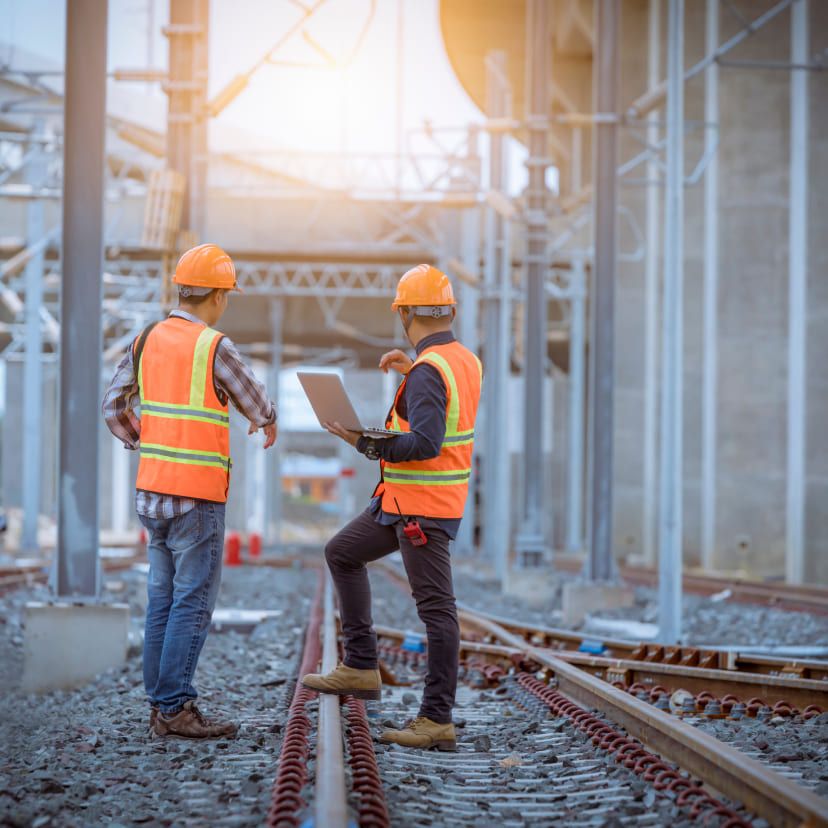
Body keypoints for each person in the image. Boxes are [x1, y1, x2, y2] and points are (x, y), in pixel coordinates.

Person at [302, 263, 482, 751]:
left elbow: (425, 442)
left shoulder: (430, 372)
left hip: (421, 507)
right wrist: (411, 375)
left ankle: (436, 718)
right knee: (342, 552)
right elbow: (441, 410)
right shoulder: (460, 360)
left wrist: (365, 442)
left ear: (405, 313)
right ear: (447, 312)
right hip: (405, 501)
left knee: (437, 611)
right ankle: (361, 665)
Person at [102, 243, 278, 739]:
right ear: (218, 297)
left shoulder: (145, 339)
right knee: (192, 601)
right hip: (196, 499)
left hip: (152, 495)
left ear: (180, 289)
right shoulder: (213, 346)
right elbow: (255, 399)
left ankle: (160, 707)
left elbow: (113, 405)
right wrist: (267, 421)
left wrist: (148, 441)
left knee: (162, 600)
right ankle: (176, 705)